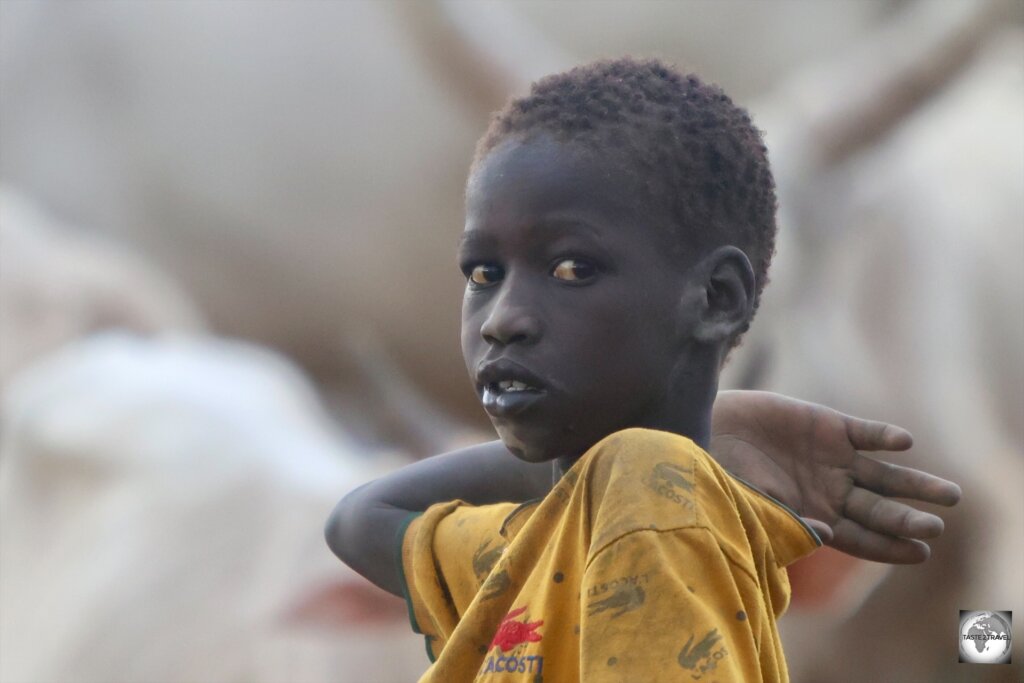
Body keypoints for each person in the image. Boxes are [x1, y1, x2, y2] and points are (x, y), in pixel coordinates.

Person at [325, 58, 960, 682]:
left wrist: (654, 457)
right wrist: (693, 436)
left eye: (572, 269)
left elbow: (364, 517)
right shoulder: (569, 533)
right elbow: (360, 523)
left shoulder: (654, 525)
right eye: (483, 274)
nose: (502, 319)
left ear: (716, 298)